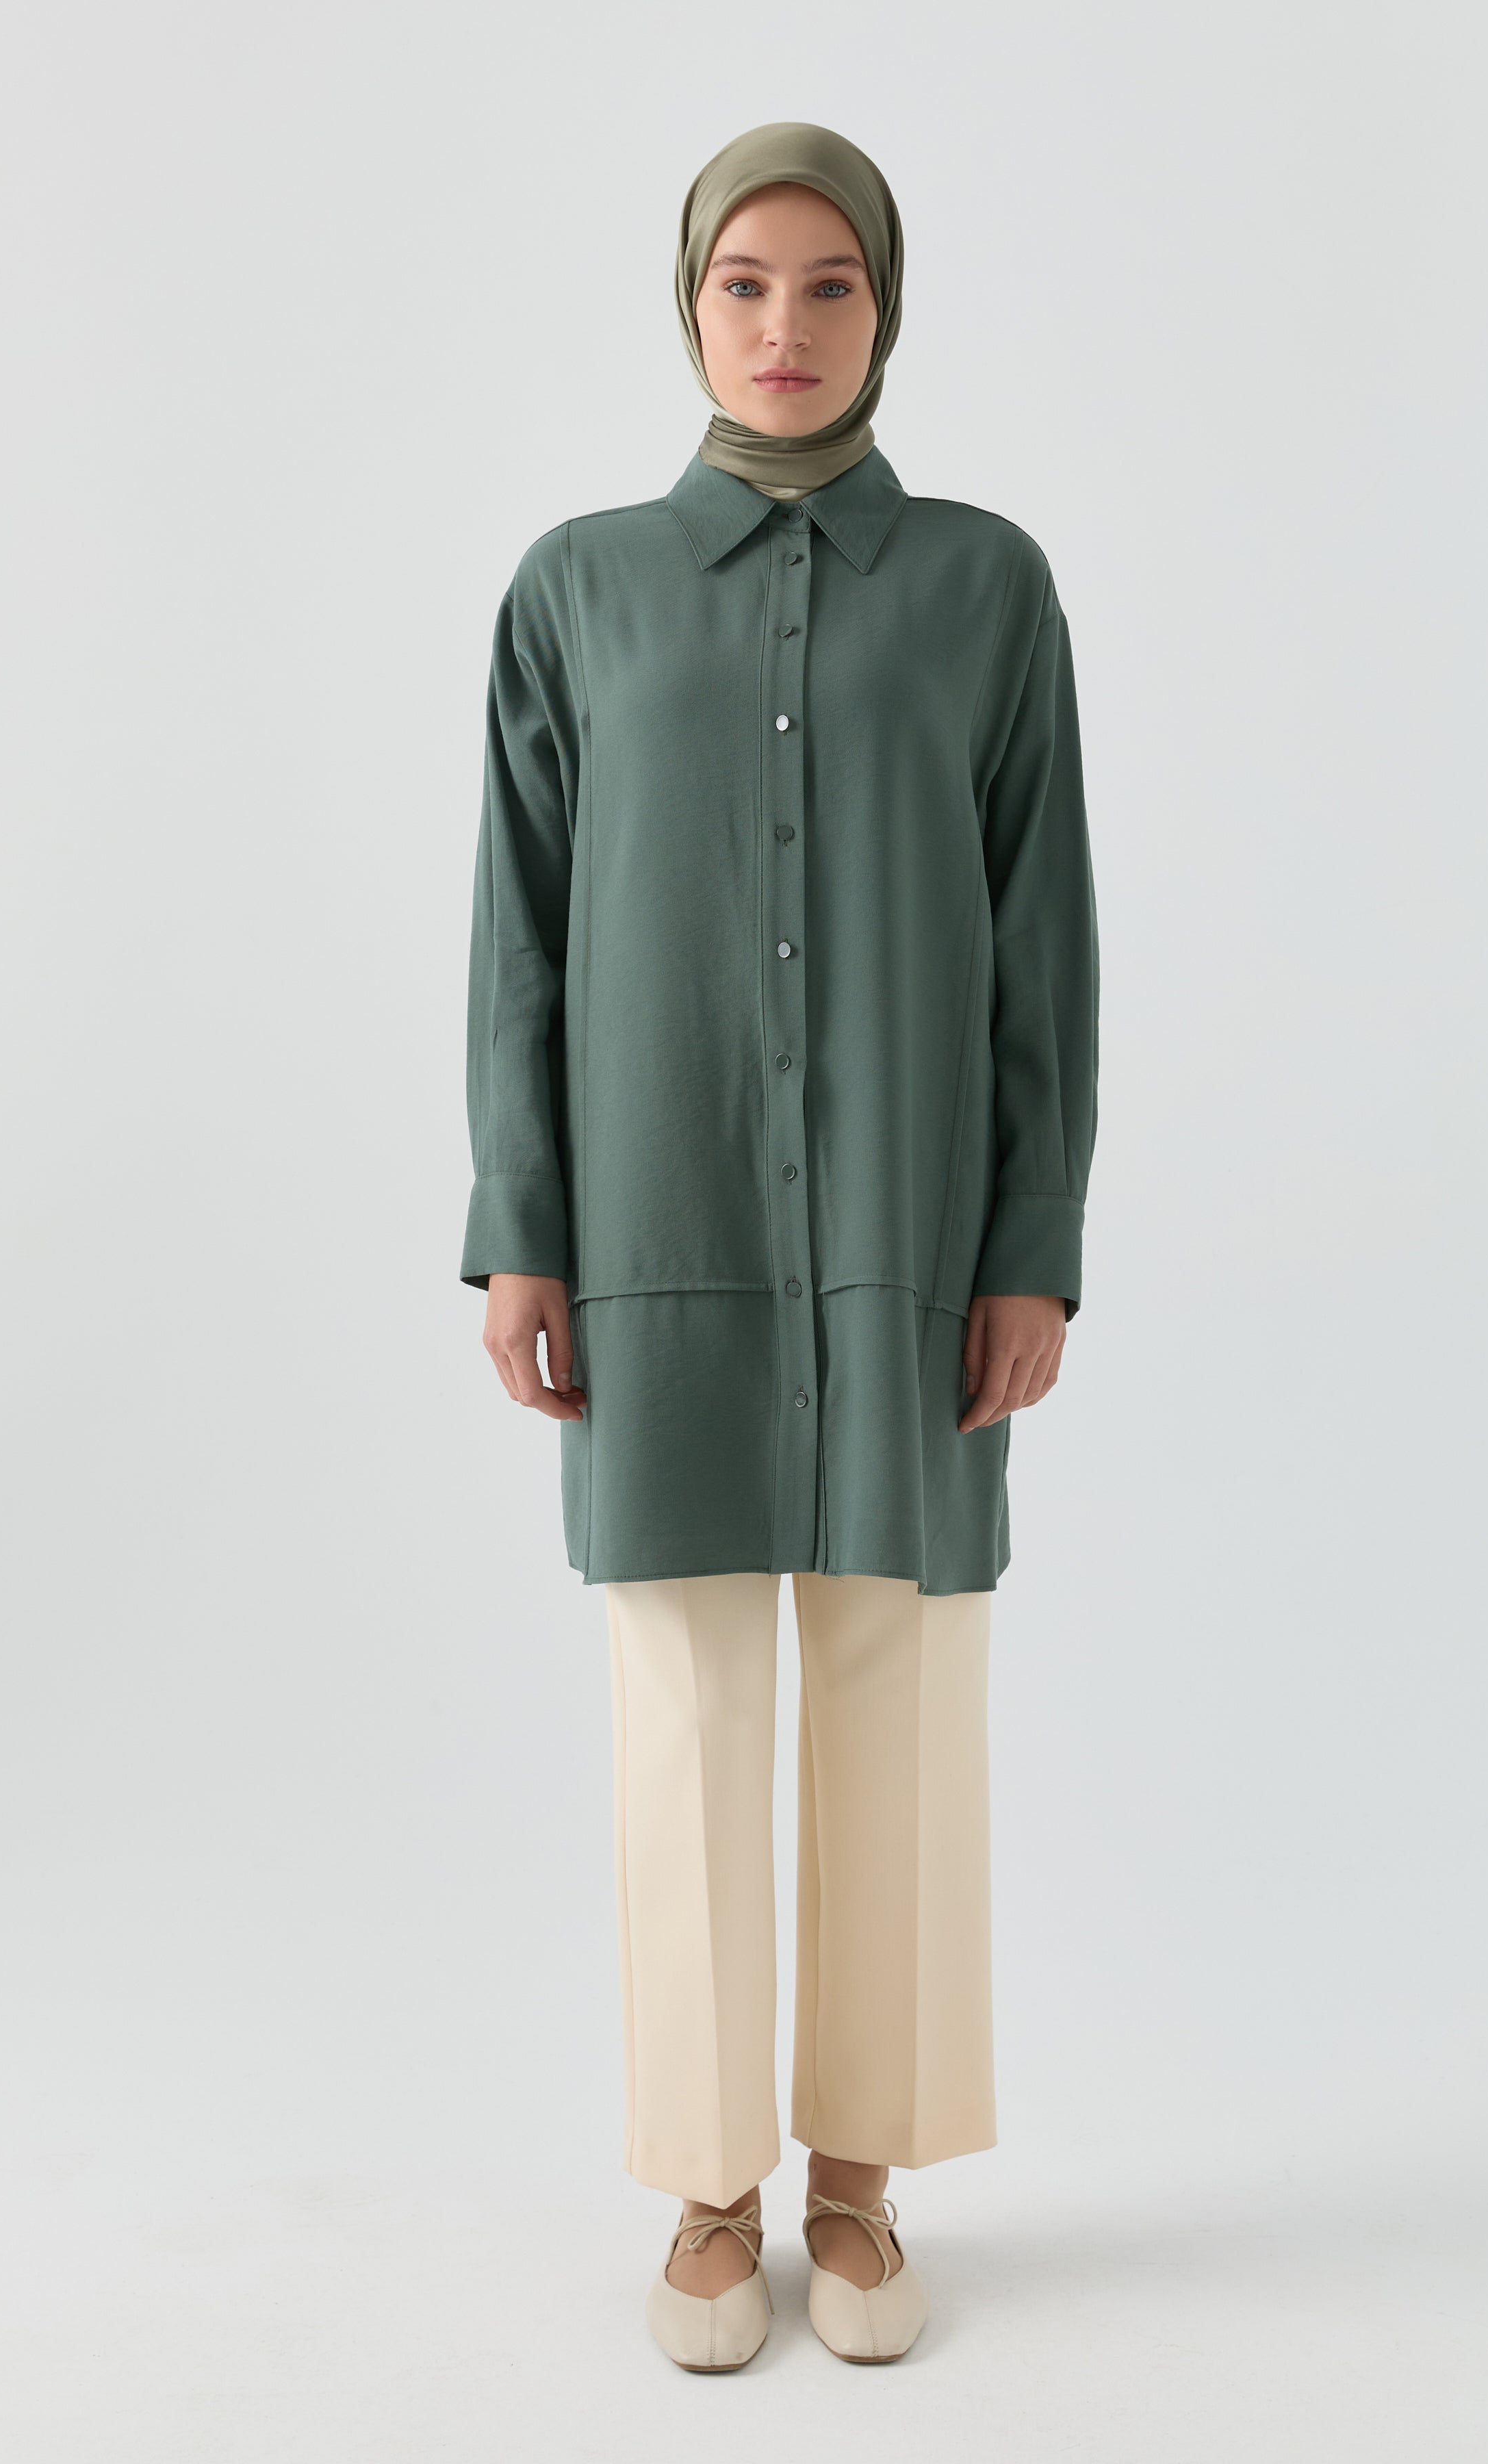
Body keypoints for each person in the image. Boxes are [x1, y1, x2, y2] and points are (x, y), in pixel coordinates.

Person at [461, 121, 1099, 2371]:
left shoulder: (991, 589)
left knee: (895, 1696)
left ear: (884, 309)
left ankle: (861, 2182)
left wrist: (1031, 1240)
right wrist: (520, 1232)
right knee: (689, 1706)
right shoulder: (578, 589)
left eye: (832, 284)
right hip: (659, 1240)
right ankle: (710, 2193)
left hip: (916, 1247)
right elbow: (520, 941)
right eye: (746, 282)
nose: (787, 324)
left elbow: (1042, 941)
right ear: (690, 305)